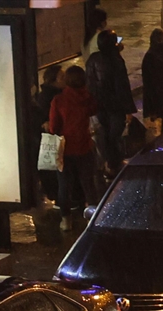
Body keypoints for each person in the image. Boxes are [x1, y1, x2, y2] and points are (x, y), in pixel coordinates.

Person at [49, 66, 100, 232]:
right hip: (84, 146)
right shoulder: (89, 98)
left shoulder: (59, 100)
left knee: (64, 186)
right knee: (88, 185)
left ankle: (66, 221)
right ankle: (92, 218)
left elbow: (53, 127)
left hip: (65, 149)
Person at [86, 29, 136, 173]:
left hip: (98, 104)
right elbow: (122, 86)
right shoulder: (116, 60)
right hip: (115, 106)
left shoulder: (93, 59)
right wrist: (128, 110)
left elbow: (89, 83)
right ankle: (114, 163)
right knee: (114, 135)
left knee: (105, 133)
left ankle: (109, 162)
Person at [32, 64, 65, 204]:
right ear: (53, 80)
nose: (65, 79)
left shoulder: (52, 94)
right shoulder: (49, 97)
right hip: (51, 140)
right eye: (62, 77)